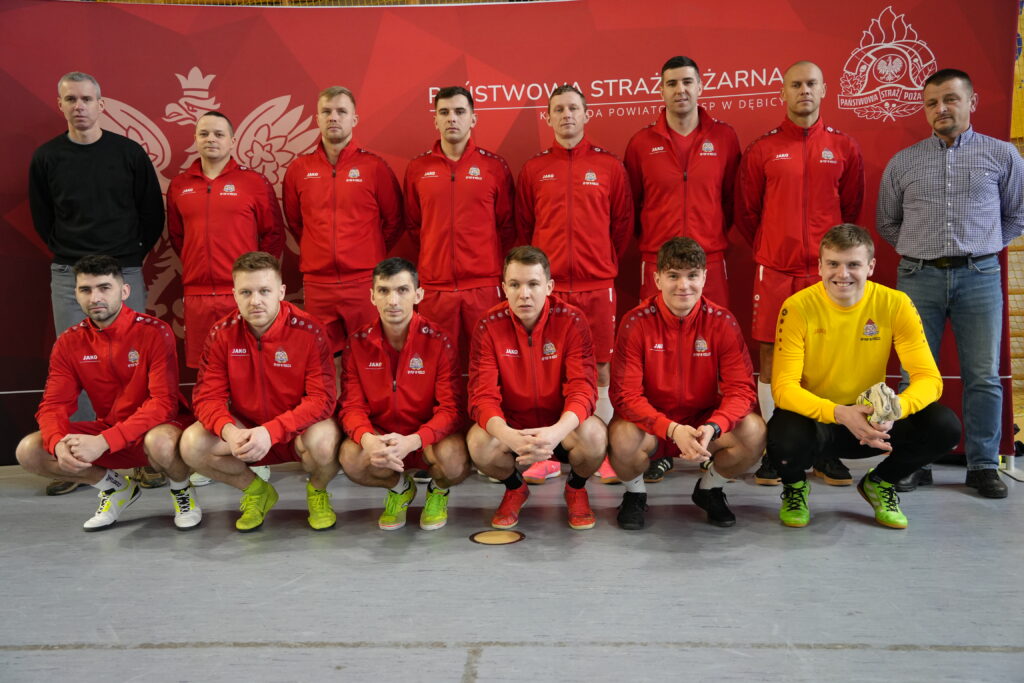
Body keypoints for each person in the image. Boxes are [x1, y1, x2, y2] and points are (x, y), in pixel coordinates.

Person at [877, 68, 1024, 499]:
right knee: (914, 375)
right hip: (917, 276)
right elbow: (887, 221)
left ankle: (982, 465)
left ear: (971, 102)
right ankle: (914, 462)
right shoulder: (903, 161)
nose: (941, 109)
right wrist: (921, 250)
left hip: (980, 276)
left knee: (983, 376)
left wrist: (984, 245)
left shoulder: (1002, 156)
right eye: (931, 103)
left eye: (950, 99)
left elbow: (1017, 214)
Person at [766, 224, 961, 529]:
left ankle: (881, 483)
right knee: (783, 438)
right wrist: (840, 413)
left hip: (874, 422)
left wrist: (894, 410)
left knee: (944, 426)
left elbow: (929, 379)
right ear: (820, 266)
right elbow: (783, 388)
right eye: (833, 263)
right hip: (820, 421)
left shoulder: (895, 303)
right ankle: (794, 487)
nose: (842, 274)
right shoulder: (797, 307)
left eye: (853, 264)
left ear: (870, 267)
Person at [29, 71, 165, 495]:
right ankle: (77, 458)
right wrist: (71, 255)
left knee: (136, 366)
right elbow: (42, 218)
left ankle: (143, 456)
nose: (79, 106)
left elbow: (151, 212)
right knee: (75, 365)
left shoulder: (128, 153)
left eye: (86, 99)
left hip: (124, 269)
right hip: (69, 272)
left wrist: (129, 257)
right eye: (71, 99)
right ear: (60, 104)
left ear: (101, 104)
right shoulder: (47, 157)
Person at [734, 61, 864, 487]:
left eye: (811, 83)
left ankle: (826, 450)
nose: (804, 90)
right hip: (775, 272)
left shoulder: (843, 146)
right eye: (796, 84)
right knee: (772, 361)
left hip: (828, 275)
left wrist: (829, 259)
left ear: (824, 90)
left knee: (828, 361)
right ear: (783, 93)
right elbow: (747, 213)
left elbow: (850, 210)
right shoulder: (763, 149)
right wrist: (775, 245)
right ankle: (777, 451)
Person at [624, 55, 742, 485]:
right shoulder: (641, 142)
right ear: (661, 89)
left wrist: (708, 240)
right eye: (672, 83)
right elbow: (632, 206)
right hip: (658, 261)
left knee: (712, 351)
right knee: (654, 357)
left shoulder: (724, 137)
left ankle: (709, 441)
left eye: (688, 82)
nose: (680, 90)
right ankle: (660, 445)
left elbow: (733, 201)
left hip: (709, 260)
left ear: (700, 86)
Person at [15, 255, 198, 530]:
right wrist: (57, 443)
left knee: (160, 441)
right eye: (85, 290)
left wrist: (105, 441)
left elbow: (163, 404)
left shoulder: (155, 332)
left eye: (104, 288)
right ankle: (115, 488)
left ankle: (182, 492)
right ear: (76, 293)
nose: (95, 298)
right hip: (110, 431)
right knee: (31, 450)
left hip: (157, 431)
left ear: (124, 291)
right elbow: (53, 404)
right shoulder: (68, 342)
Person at [516, 84, 631, 484]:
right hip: (548, 289)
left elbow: (621, 226)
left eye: (573, 108)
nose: (566, 115)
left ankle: (602, 453)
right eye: (559, 109)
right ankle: (546, 455)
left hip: (597, 284)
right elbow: (524, 227)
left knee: (600, 368)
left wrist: (599, 261)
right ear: (548, 117)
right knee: (545, 371)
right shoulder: (534, 169)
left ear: (586, 114)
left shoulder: (609, 166)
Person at [609, 237, 764, 529]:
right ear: (657, 279)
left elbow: (742, 390)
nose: (684, 285)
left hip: (702, 424)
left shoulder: (722, 322)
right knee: (621, 437)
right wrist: (671, 429)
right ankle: (635, 494)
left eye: (692, 275)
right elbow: (625, 396)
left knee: (754, 432)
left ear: (704, 277)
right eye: (673, 276)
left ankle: (709, 489)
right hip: (652, 425)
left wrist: (714, 426)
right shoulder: (636, 322)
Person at [167, 111, 286, 487]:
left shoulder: (253, 183)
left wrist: (253, 283)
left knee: (251, 374)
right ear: (195, 139)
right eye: (204, 133)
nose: (211, 139)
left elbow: (272, 236)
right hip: (199, 296)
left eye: (219, 133)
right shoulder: (180, 186)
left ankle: (255, 450)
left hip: (242, 295)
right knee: (209, 379)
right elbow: (177, 237)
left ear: (232, 140)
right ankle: (214, 451)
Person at [181, 252, 341, 532]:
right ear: (234, 294)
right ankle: (257, 491)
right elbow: (207, 398)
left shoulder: (310, 331)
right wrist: (230, 432)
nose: (255, 301)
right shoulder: (221, 333)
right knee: (191, 444)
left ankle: (317, 491)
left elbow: (322, 400)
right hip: (246, 431)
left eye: (264, 291)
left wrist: (272, 431)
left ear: (281, 292)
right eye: (246, 292)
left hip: (297, 429)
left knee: (326, 441)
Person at [467, 246, 606, 530]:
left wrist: (555, 433)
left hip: (561, 427)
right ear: (504, 288)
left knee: (594, 435)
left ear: (549, 287)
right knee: (478, 443)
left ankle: (576, 489)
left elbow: (582, 389)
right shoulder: (488, 325)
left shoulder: (572, 320)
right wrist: (508, 435)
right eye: (515, 285)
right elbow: (482, 397)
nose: (524, 294)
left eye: (533, 284)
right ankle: (515, 489)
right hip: (514, 427)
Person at [338, 258, 470, 531]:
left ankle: (438, 491)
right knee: (351, 458)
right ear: (372, 296)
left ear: (418, 295)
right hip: (383, 437)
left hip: (427, 439)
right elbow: (351, 407)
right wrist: (369, 440)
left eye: (402, 290)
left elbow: (451, 410)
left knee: (454, 461)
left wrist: (414, 440)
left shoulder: (439, 341)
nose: (393, 301)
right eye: (384, 291)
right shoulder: (357, 343)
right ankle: (400, 489)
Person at [282, 86, 404, 354]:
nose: (333, 117)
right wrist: (319, 251)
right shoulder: (299, 169)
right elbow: (296, 222)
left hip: (363, 281)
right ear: (317, 119)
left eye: (341, 111)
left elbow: (395, 220)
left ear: (354, 119)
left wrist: (367, 251)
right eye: (326, 112)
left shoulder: (374, 167)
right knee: (322, 358)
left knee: (371, 354)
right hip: (318, 283)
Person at [404, 86, 516, 371]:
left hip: (482, 286)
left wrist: (481, 259)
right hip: (435, 288)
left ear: (473, 118)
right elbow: (414, 225)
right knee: (436, 366)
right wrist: (437, 255)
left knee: (490, 363)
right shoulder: (418, 168)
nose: (452, 118)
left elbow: (506, 225)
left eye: (459, 112)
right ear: (435, 120)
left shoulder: (494, 167)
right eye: (444, 112)